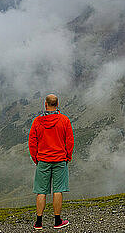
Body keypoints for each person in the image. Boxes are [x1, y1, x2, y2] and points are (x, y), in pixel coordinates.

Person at [28, 94, 74, 230]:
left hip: (43, 160)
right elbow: (70, 141)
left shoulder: (37, 121)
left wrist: (35, 158)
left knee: (41, 191)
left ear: (45, 104)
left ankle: (38, 222)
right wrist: (68, 156)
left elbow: (32, 142)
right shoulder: (64, 120)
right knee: (58, 190)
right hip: (60, 159)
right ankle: (57, 221)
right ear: (57, 104)